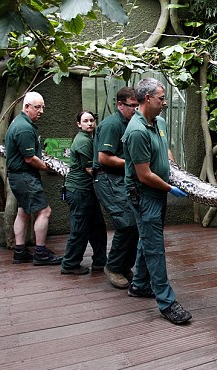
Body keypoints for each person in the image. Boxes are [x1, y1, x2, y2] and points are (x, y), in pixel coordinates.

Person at [123, 77, 192, 325]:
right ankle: (166, 302)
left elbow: (164, 150)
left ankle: (140, 284)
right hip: (145, 195)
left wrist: (176, 170)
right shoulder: (137, 131)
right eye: (161, 98)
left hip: (158, 191)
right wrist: (171, 188)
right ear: (148, 98)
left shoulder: (159, 122)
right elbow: (144, 175)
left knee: (148, 237)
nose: (164, 102)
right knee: (155, 247)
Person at [5, 91, 62, 265]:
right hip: (24, 176)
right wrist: (49, 168)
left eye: (43, 107)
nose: (41, 111)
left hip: (18, 176)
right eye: (37, 107)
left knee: (23, 212)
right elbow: (30, 158)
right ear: (26, 107)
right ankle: (40, 252)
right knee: (45, 211)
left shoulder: (20, 122)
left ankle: (20, 251)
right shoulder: (24, 128)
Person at [93, 87, 140, 288]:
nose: (135, 110)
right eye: (132, 106)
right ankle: (113, 266)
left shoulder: (132, 123)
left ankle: (123, 265)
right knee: (126, 222)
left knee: (135, 224)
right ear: (120, 104)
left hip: (121, 180)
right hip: (107, 179)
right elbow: (104, 158)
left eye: (138, 106)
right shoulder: (112, 125)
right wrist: (134, 164)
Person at [60, 111, 108, 275]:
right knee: (80, 229)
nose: (89, 123)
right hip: (79, 191)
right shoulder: (83, 142)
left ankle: (101, 261)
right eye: (85, 121)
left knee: (97, 228)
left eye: (91, 120)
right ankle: (69, 264)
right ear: (79, 124)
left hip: (87, 191)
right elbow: (90, 169)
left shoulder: (90, 139)